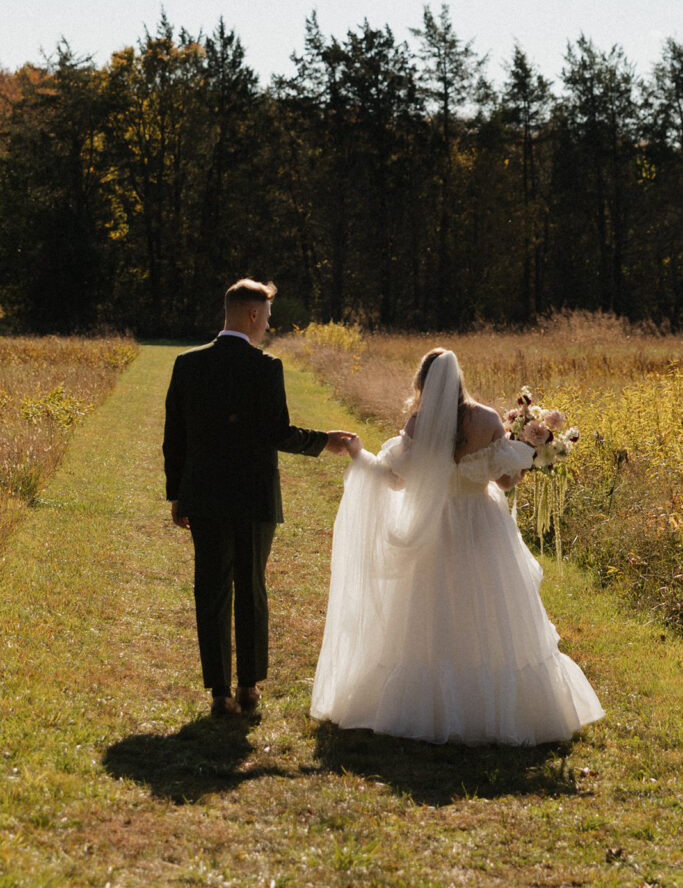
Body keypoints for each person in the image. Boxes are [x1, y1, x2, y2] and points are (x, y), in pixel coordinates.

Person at [311, 348, 604, 745]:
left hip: (433, 524)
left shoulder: (417, 424)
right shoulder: (485, 419)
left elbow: (397, 481)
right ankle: (491, 704)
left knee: (433, 605)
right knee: (485, 604)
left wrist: (360, 454)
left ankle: (430, 703)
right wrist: (530, 453)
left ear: (423, 382)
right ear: (459, 378)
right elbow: (505, 482)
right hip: (482, 522)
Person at [163, 279, 353, 717]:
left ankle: (218, 694)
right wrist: (325, 441)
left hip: (205, 496)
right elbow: (277, 433)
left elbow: (175, 438)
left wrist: (179, 493)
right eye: (267, 316)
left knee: (210, 590)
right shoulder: (265, 367)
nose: (268, 324)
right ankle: (248, 686)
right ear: (251, 314)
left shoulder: (187, 364)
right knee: (251, 587)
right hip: (253, 496)